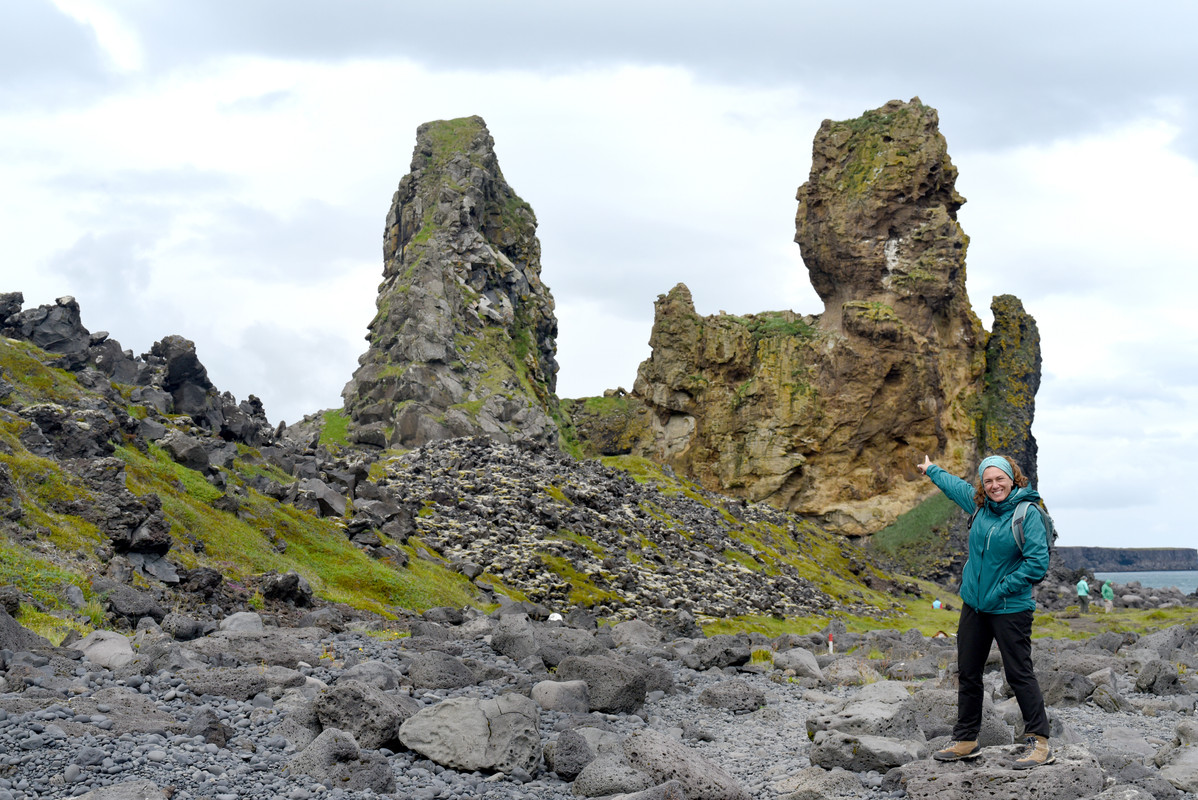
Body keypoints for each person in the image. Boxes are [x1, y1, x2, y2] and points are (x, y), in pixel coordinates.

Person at [917, 453, 1054, 769]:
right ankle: (966, 739)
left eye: (999, 479)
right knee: (967, 671)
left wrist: (1002, 588)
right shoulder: (979, 506)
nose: (994, 486)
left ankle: (1040, 743)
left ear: (1012, 478)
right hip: (975, 606)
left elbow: (1037, 563)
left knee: (1019, 673)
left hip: (1010, 607)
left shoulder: (1027, 513)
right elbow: (954, 487)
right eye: (988, 480)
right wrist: (931, 469)